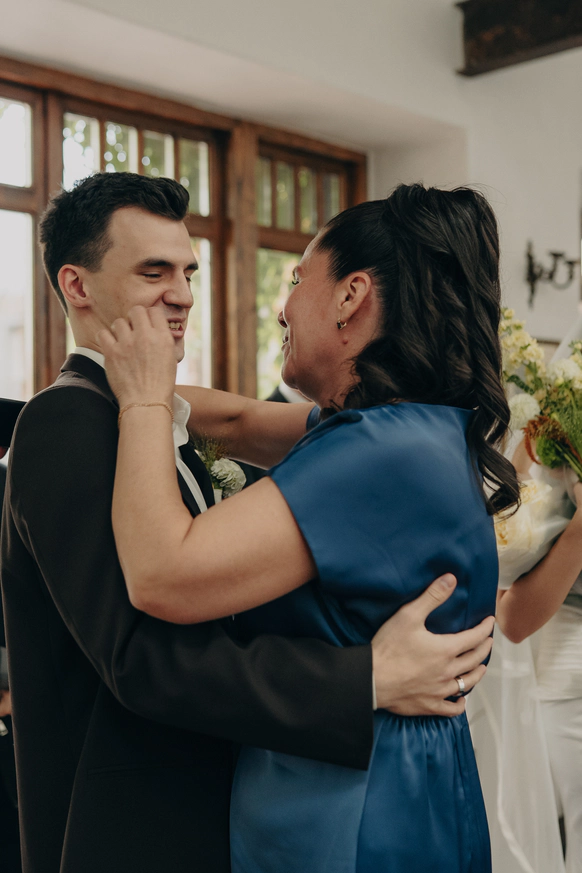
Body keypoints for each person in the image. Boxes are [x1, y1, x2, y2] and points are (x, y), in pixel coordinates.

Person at [0, 173, 493, 873]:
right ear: (76, 285)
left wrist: (146, 397)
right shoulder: (66, 422)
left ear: (354, 297)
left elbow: (229, 448)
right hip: (134, 824)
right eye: (154, 272)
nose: (183, 294)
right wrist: (363, 679)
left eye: (188, 273)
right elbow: (143, 658)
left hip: (310, 801)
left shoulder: (375, 439)